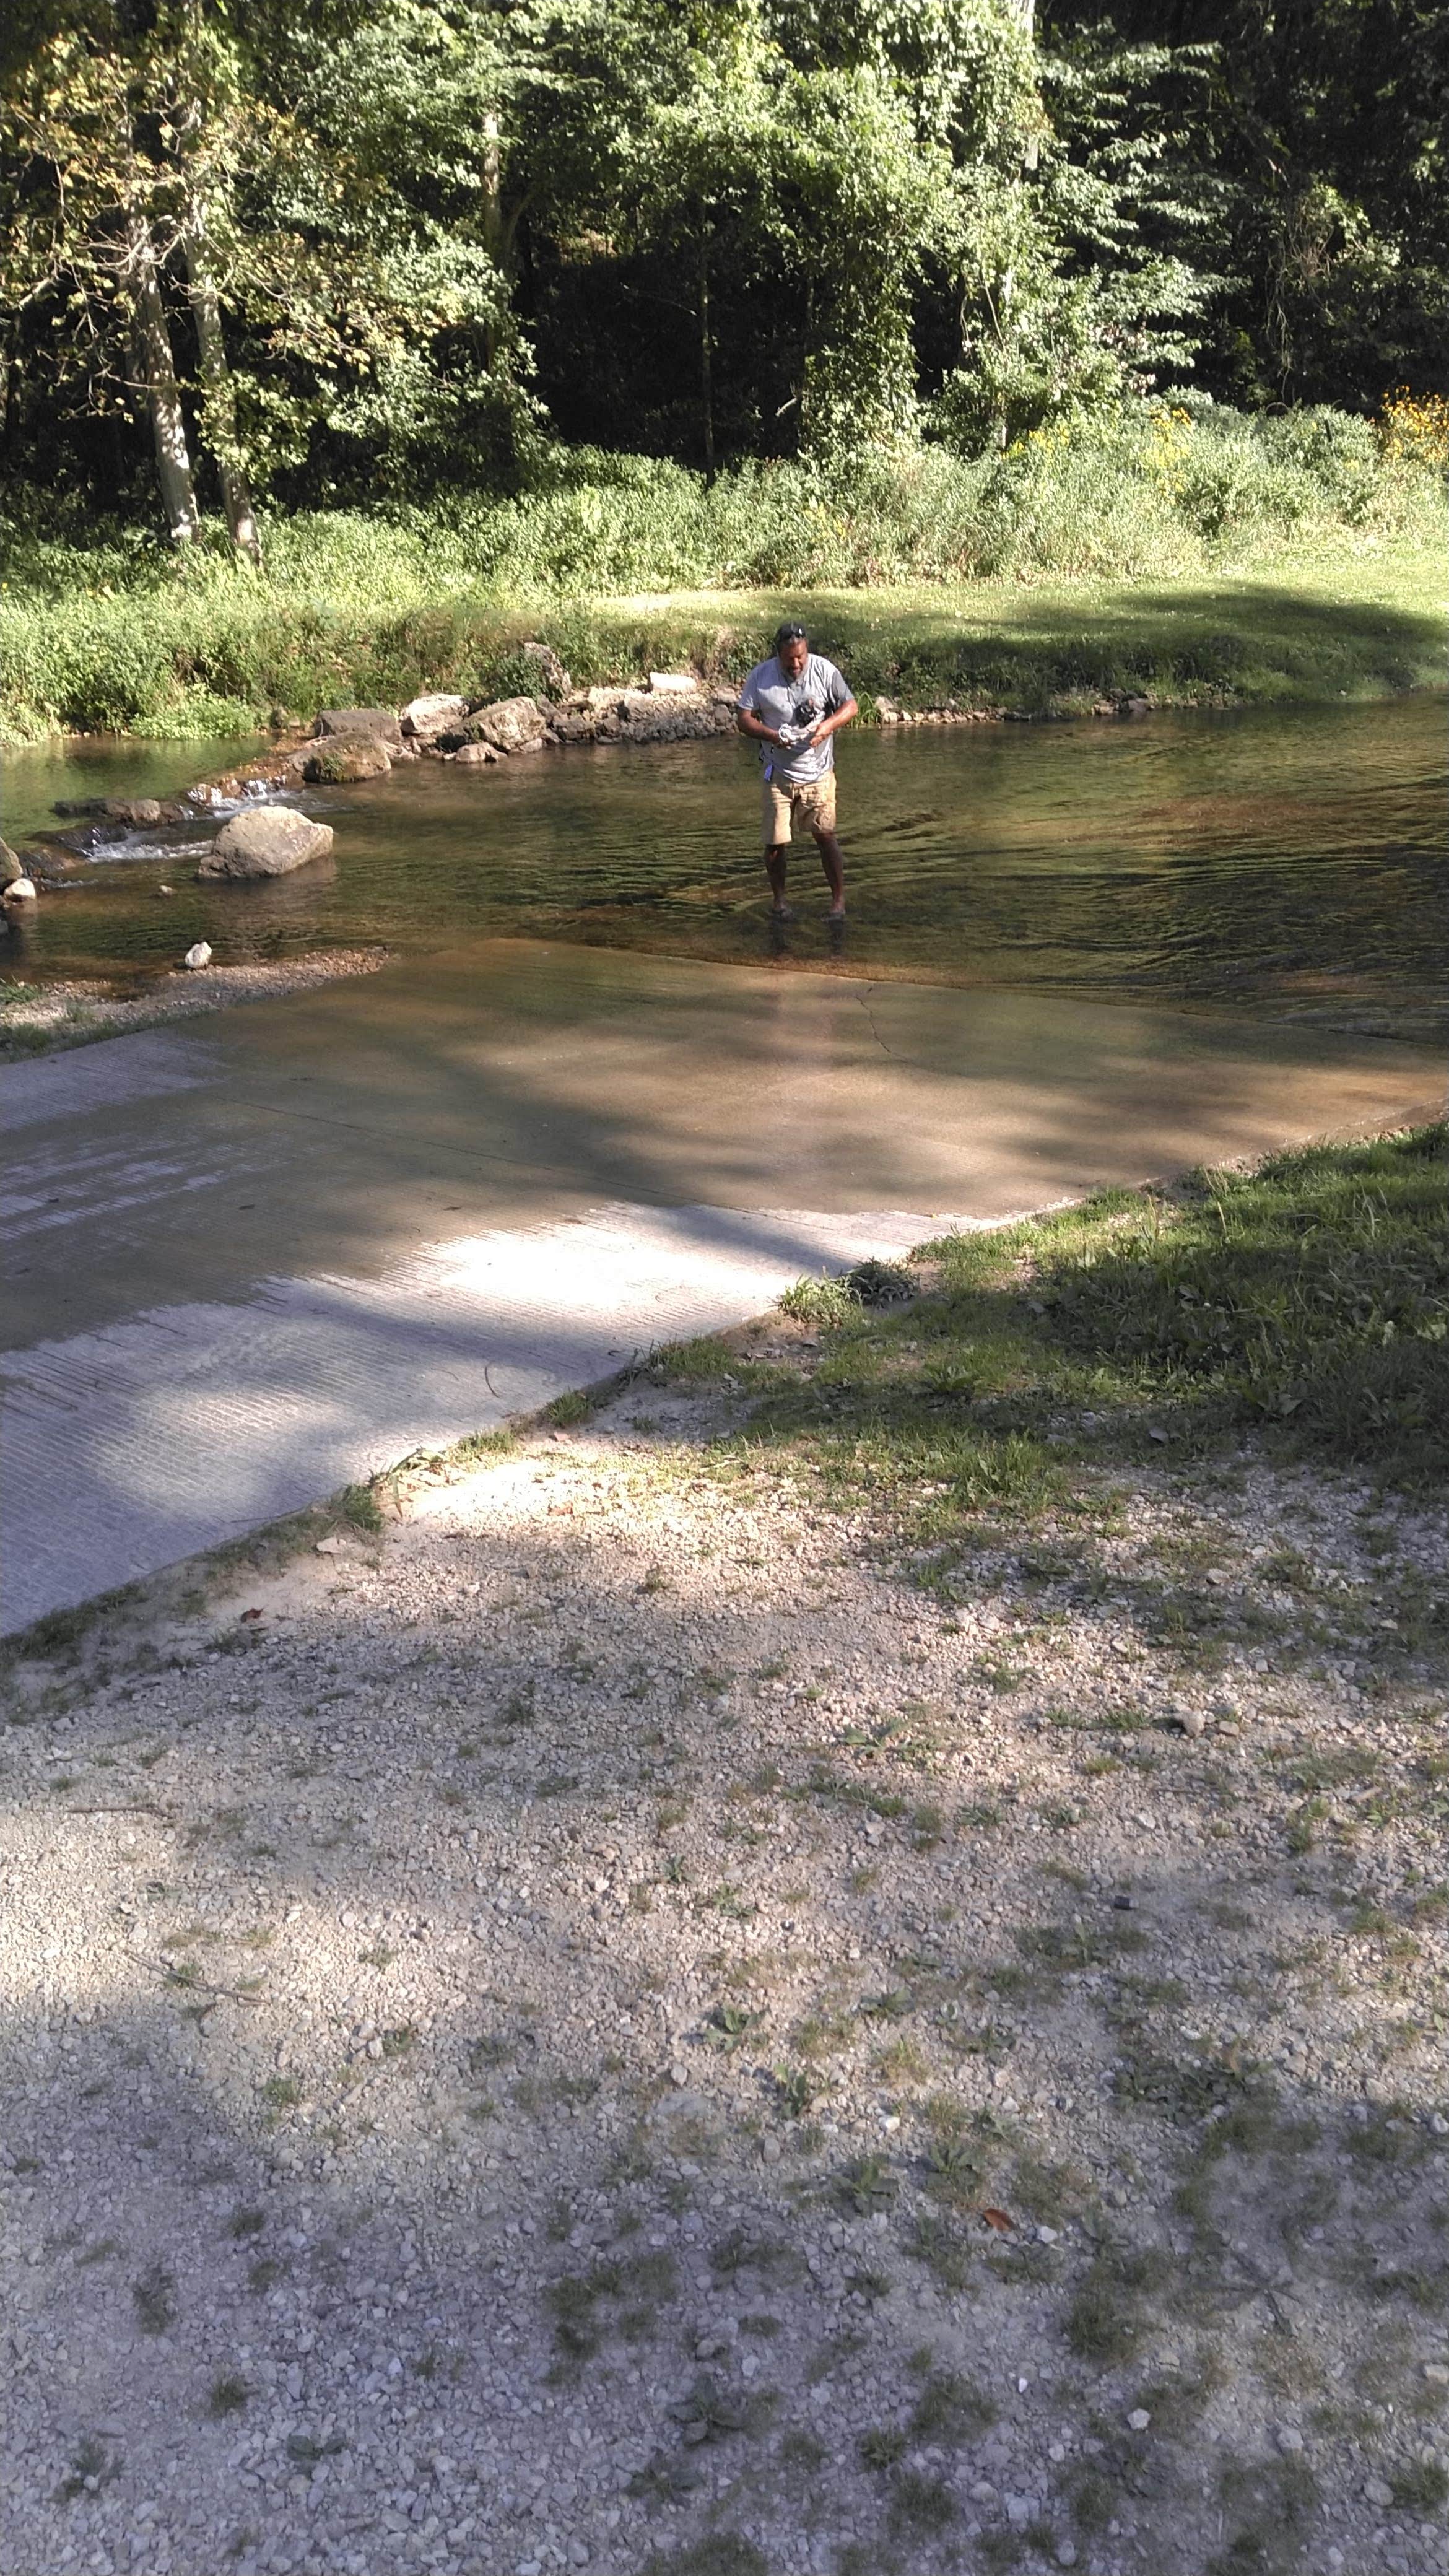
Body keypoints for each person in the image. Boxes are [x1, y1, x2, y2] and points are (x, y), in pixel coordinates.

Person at [736, 622, 858, 919]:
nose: (796, 663)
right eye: (789, 658)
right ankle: (779, 903)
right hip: (777, 774)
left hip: (818, 772)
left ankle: (838, 903)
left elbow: (851, 706)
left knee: (825, 836)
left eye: (801, 656)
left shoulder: (824, 671)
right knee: (775, 842)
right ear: (778, 654)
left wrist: (826, 728)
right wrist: (771, 735)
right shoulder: (761, 676)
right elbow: (743, 719)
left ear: (807, 651)